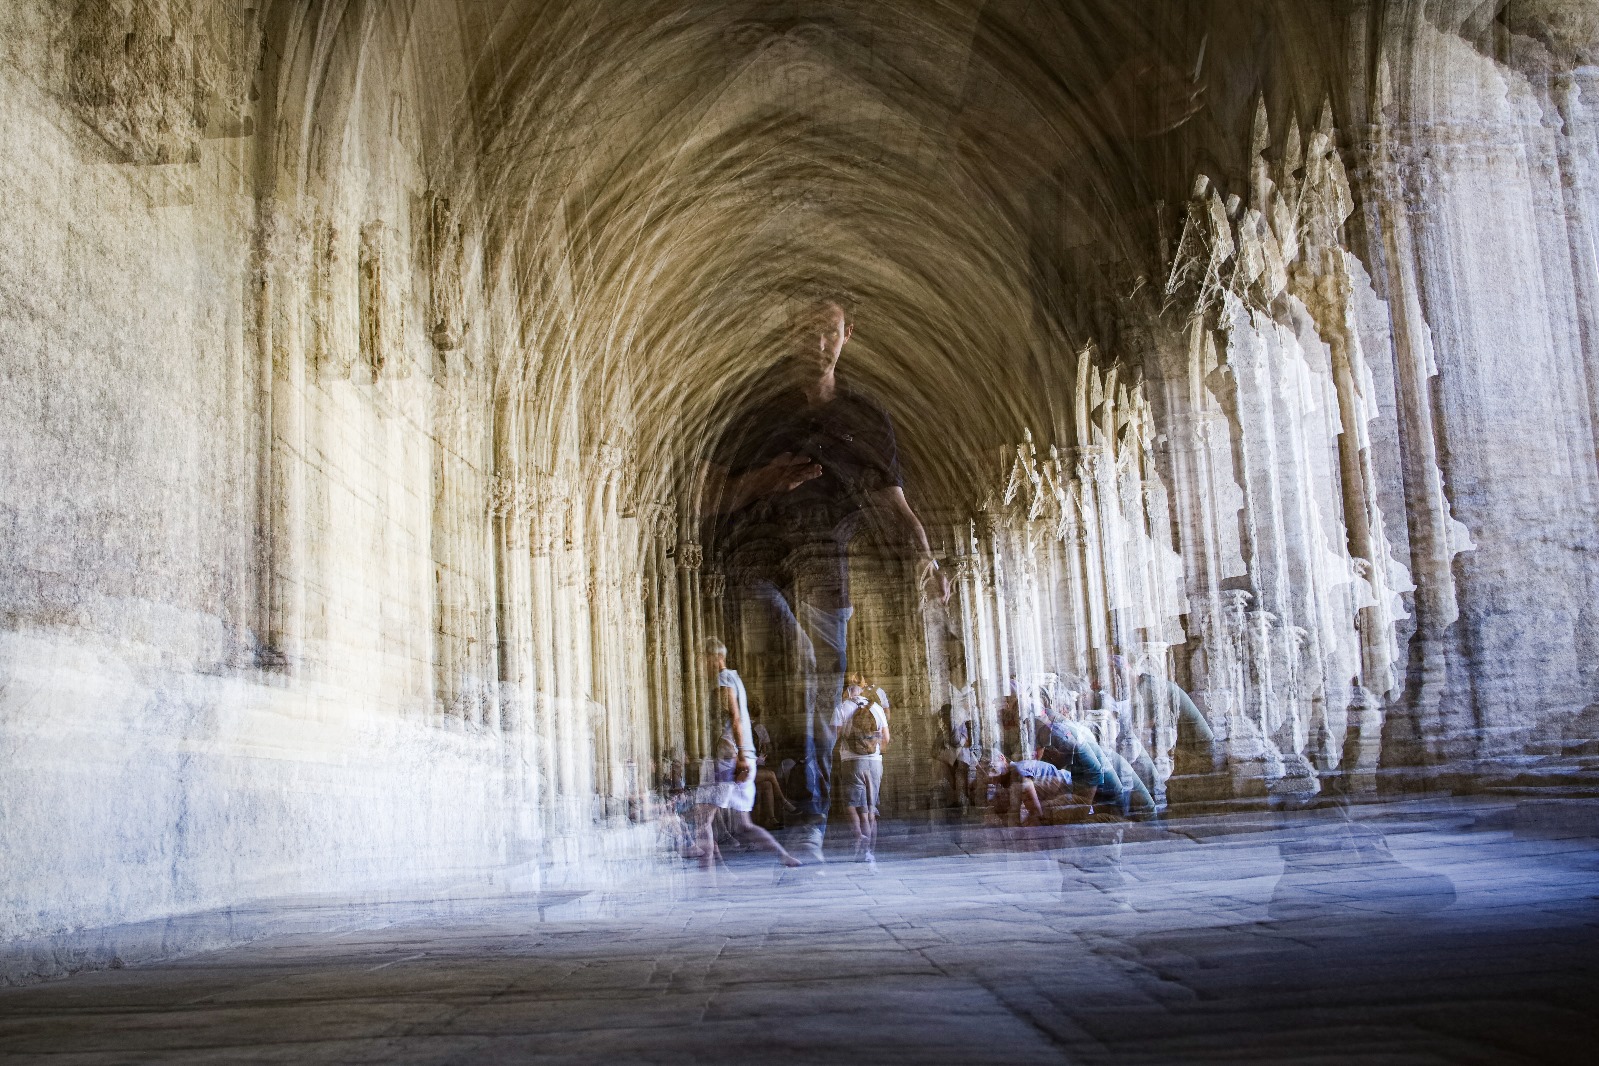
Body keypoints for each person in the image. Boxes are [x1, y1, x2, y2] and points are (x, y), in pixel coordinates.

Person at [702, 294, 949, 863]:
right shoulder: (756, 412)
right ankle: (807, 815)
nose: (818, 343)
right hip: (759, 562)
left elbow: (894, 503)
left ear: (847, 335)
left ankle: (810, 821)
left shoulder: (865, 418)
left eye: (829, 332)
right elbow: (706, 496)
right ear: (788, 333)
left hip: (827, 573)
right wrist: (764, 480)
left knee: (816, 695)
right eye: (806, 331)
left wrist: (926, 557)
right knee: (801, 669)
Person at [689, 638, 802, 869]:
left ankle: (707, 871)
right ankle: (783, 856)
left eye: (703, 658)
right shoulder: (735, 677)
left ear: (716, 658)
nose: (701, 663)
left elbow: (735, 717)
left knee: (703, 817)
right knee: (743, 824)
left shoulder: (723, 679)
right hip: (741, 754)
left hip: (730, 756)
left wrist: (740, 755)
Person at [831, 679, 891, 865]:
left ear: (847, 692)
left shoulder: (841, 708)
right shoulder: (876, 708)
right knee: (871, 808)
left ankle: (859, 837)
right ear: (861, 691)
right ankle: (870, 853)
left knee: (853, 806)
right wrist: (873, 747)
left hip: (851, 761)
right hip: (874, 762)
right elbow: (886, 739)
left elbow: (833, 737)